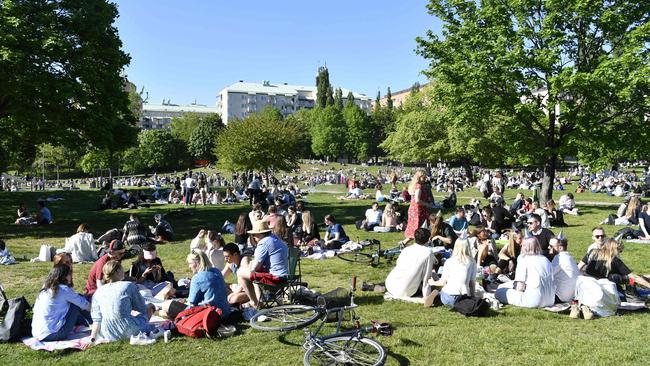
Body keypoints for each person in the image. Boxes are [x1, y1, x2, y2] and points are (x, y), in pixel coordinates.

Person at [90, 260, 155, 342]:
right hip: (129, 329)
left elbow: (97, 319)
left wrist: (93, 337)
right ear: (117, 271)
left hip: (108, 333)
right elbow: (141, 308)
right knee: (149, 307)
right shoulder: (128, 285)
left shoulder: (98, 291)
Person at [32, 264, 92, 341]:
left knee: (75, 300)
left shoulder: (45, 289)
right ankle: (95, 323)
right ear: (65, 276)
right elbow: (85, 305)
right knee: (77, 302)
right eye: (70, 274)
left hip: (36, 333)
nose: (71, 276)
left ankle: (87, 322)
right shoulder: (64, 290)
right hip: (54, 334)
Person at [236, 221, 288, 309]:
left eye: (254, 235)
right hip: (286, 276)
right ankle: (257, 299)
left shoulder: (264, 243)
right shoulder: (276, 239)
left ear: (259, 234)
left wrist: (250, 264)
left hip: (276, 278)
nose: (253, 237)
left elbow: (254, 268)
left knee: (240, 272)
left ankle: (254, 302)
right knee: (251, 272)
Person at [495, 237, 555, 308]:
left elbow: (520, 287)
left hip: (534, 301)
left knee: (499, 291)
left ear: (526, 247)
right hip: (550, 300)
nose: (521, 246)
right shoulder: (546, 260)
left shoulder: (523, 259)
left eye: (522, 245)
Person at [426, 236, 477, 307]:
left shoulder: (449, 261)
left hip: (447, 295)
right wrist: (473, 297)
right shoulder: (472, 262)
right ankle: (439, 297)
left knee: (442, 290)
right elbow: (472, 283)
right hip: (463, 297)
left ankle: (438, 296)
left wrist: (433, 282)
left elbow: (442, 282)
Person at [385, 228, 436, 299]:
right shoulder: (428, 252)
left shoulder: (406, 249)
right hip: (406, 290)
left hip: (390, 283)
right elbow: (427, 276)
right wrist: (427, 295)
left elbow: (398, 264)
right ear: (428, 239)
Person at [186, 249, 231, 319]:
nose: (189, 266)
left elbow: (191, 303)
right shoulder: (217, 271)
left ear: (198, 263)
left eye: (190, 263)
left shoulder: (197, 278)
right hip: (226, 311)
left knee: (167, 307)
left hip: (210, 316)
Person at [402, 170, 432, 245]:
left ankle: (404, 243)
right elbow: (417, 200)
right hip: (418, 211)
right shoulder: (418, 187)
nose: (425, 178)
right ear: (419, 177)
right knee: (420, 229)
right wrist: (427, 204)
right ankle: (420, 244)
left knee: (416, 228)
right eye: (423, 177)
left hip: (414, 209)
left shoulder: (415, 185)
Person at [549, 236, 579, 303]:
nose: (548, 247)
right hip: (572, 295)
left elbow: (548, 274)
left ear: (560, 248)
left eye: (551, 246)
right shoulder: (569, 257)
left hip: (561, 297)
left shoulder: (559, 258)